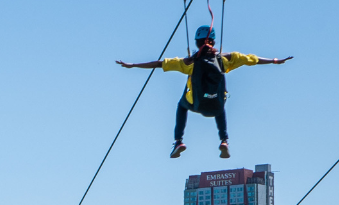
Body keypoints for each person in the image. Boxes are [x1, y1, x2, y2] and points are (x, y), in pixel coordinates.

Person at [116, 26, 292, 159]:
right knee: (220, 103)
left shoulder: (188, 62)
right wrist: (275, 61)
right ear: (213, 42)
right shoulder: (227, 59)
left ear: (196, 43)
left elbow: (159, 63)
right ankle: (224, 140)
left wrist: (133, 65)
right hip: (215, 105)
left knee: (181, 105)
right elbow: (251, 60)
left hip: (196, 104)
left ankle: (178, 141)